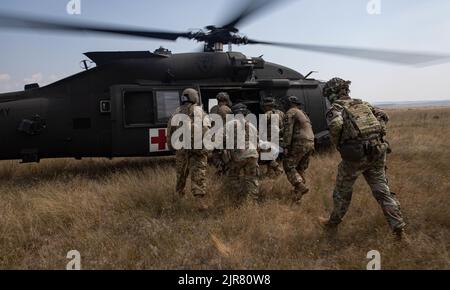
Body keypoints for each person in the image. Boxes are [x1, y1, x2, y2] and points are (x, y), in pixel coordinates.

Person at [319, 77, 407, 241]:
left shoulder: (336, 108)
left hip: (355, 156)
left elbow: (336, 125)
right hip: (377, 152)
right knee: (383, 192)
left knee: (342, 192)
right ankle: (399, 230)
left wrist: (339, 143)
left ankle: (333, 223)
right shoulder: (363, 104)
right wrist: (377, 135)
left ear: (332, 94)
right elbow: (384, 116)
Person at [167, 88, 210, 210]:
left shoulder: (176, 113)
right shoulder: (200, 112)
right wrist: (206, 149)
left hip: (181, 150)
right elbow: (206, 131)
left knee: (181, 175)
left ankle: (179, 198)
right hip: (197, 151)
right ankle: (200, 203)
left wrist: (172, 148)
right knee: (198, 174)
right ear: (194, 97)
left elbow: (170, 132)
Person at [224, 103, 260, 203]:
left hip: (239, 155)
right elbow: (257, 141)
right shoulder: (252, 125)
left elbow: (221, 139)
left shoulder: (229, 124)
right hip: (252, 154)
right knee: (252, 179)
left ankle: (239, 197)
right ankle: (251, 203)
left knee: (233, 176)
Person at [282, 96, 315, 204]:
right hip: (310, 142)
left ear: (290, 103)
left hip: (300, 142)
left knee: (288, 165)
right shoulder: (302, 113)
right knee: (300, 168)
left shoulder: (291, 112)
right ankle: (297, 198)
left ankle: (300, 186)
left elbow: (288, 130)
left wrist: (286, 146)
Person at [261, 96, 285, 177]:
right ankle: (270, 173)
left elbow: (262, 129)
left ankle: (275, 172)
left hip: (271, 139)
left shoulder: (267, 114)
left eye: (265, 106)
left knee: (269, 156)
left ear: (268, 106)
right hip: (281, 139)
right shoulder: (281, 113)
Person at [209, 92, 233, 175]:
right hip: (224, 135)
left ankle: (220, 169)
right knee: (226, 153)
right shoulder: (227, 109)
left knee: (215, 154)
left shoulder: (213, 109)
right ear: (226, 100)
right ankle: (227, 170)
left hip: (214, 136)